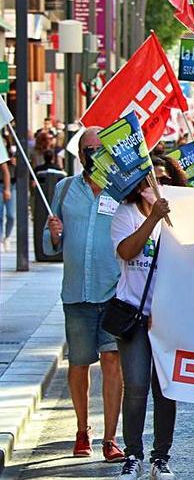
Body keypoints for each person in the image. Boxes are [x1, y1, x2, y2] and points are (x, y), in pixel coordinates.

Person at [43, 127, 124, 462]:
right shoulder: (64, 189)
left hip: (113, 290)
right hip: (76, 292)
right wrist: (54, 234)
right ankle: (81, 430)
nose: (94, 154)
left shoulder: (121, 190)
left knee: (111, 360)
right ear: (80, 154)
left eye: (99, 148)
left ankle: (110, 438)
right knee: (78, 364)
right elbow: (50, 246)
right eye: (88, 148)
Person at [112, 156, 185, 479]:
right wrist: (152, 219)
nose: (157, 185)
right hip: (133, 314)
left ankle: (161, 457)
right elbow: (128, 252)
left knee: (164, 388)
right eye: (151, 180)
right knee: (137, 385)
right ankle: (133, 455)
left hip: (166, 317)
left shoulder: (182, 218)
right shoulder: (125, 214)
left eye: (165, 179)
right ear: (140, 185)